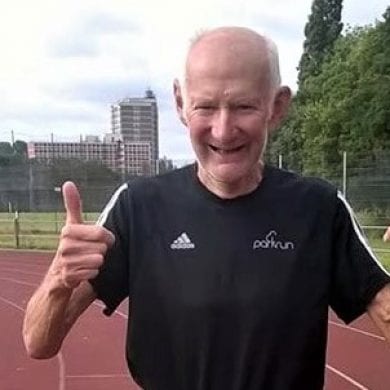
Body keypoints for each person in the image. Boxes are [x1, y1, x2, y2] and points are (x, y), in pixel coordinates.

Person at [23, 27, 390, 390]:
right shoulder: (138, 207)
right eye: (206, 107)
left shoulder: (318, 209)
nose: (223, 129)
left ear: (276, 107)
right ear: (181, 104)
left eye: (244, 106)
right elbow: (38, 343)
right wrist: (58, 278)